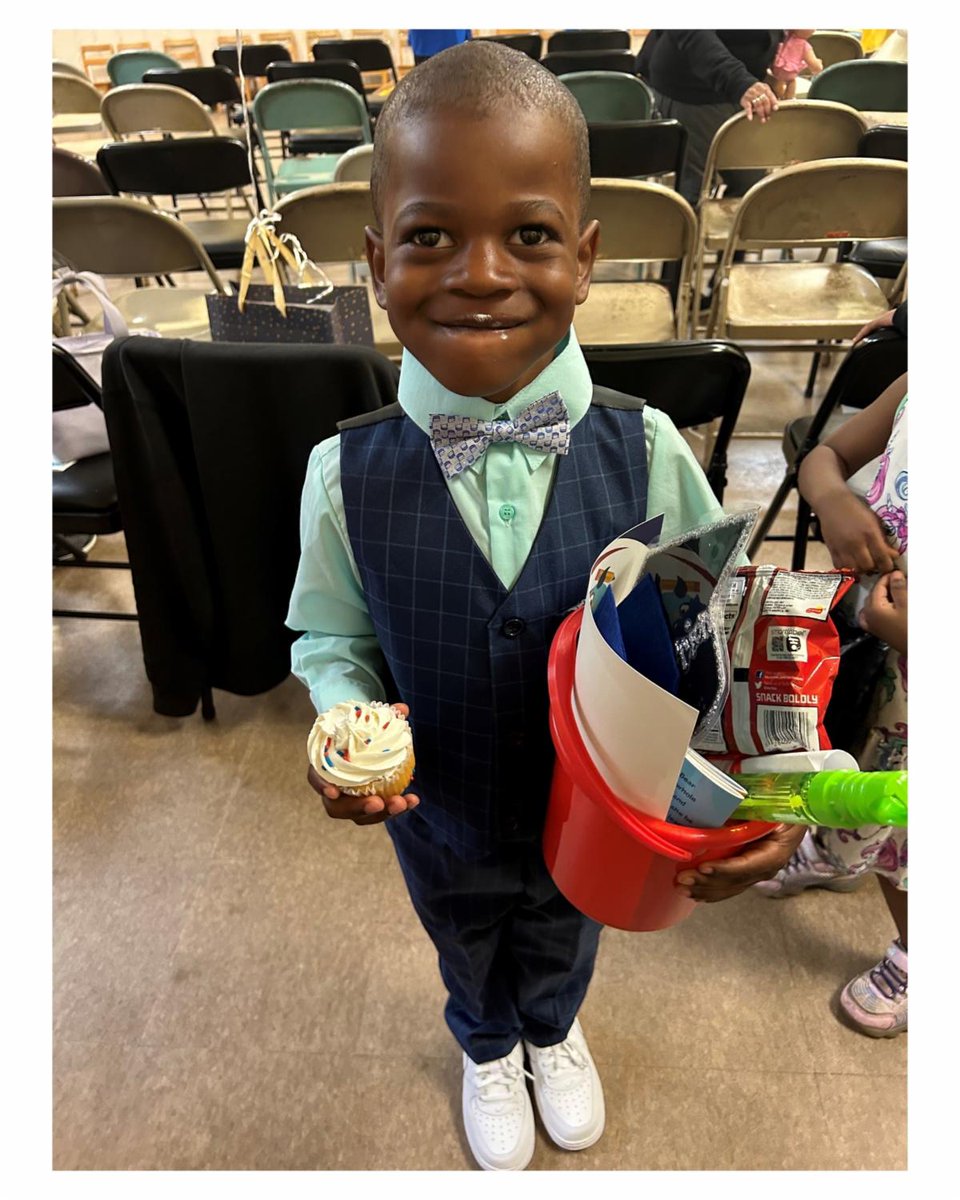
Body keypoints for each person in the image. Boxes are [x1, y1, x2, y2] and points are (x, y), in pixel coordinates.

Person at [285, 40, 805, 1171]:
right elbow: (331, 633)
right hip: (439, 809)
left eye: (528, 234)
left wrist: (766, 795)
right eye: (430, 237)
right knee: (460, 928)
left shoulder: (649, 450)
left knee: (567, 931)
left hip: (597, 812)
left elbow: (713, 636)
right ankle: (485, 1040)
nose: (481, 274)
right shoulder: (343, 474)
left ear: (587, 256)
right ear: (376, 261)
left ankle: (553, 1028)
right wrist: (344, 720)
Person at [756, 372, 909, 1038]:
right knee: (848, 777)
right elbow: (825, 454)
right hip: (872, 663)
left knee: (908, 836)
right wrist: (833, 499)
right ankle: (836, 853)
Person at [638, 30, 782, 205]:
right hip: (694, 88)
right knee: (695, 195)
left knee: (752, 190)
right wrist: (739, 81)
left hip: (747, 85)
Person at [768, 29, 823, 99]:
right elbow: (813, 64)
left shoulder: (785, 37)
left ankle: (778, 94)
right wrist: (818, 66)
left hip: (777, 66)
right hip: (789, 72)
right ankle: (789, 98)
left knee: (778, 81)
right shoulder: (804, 45)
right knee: (791, 82)